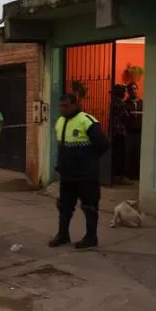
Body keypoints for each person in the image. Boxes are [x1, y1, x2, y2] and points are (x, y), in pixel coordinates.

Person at [49, 94, 110, 249]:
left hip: (86, 175)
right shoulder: (60, 122)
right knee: (64, 206)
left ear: (75, 104)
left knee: (89, 207)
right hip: (67, 175)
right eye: (60, 106)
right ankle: (63, 235)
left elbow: (103, 144)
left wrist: (88, 161)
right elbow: (61, 147)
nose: (63, 109)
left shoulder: (86, 121)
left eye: (66, 105)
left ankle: (91, 237)